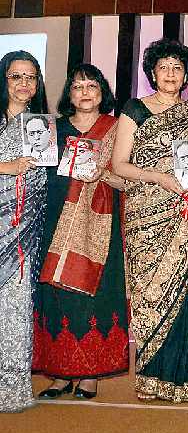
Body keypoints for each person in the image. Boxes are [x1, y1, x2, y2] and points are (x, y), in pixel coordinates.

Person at [111, 38, 188, 403]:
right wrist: (159, 177)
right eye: (164, 67)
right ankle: (149, 377)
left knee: (184, 292)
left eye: (178, 68)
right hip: (147, 213)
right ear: (152, 73)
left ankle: (181, 378)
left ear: (186, 75)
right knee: (149, 295)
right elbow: (119, 164)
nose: (171, 74)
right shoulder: (135, 109)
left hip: (187, 214)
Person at [32, 63, 129, 400]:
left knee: (94, 297)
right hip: (56, 221)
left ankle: (90, 376)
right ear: (68, 94)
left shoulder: (117, 129)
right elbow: (36, 175)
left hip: (100, 226)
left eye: (92, 85)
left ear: (103, 92)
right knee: (57, 296)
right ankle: (59, 375)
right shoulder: (52, 130)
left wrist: (99, 174)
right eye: (78, 86)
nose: (85, 92)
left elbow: (128, 180)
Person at [0, 50, 48, 413]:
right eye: (16, 76)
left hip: (26, 230)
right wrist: (8, 165)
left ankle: (13, 388)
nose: (23, 83)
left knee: (17, 306)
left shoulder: (44, 125)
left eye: (30, 77)